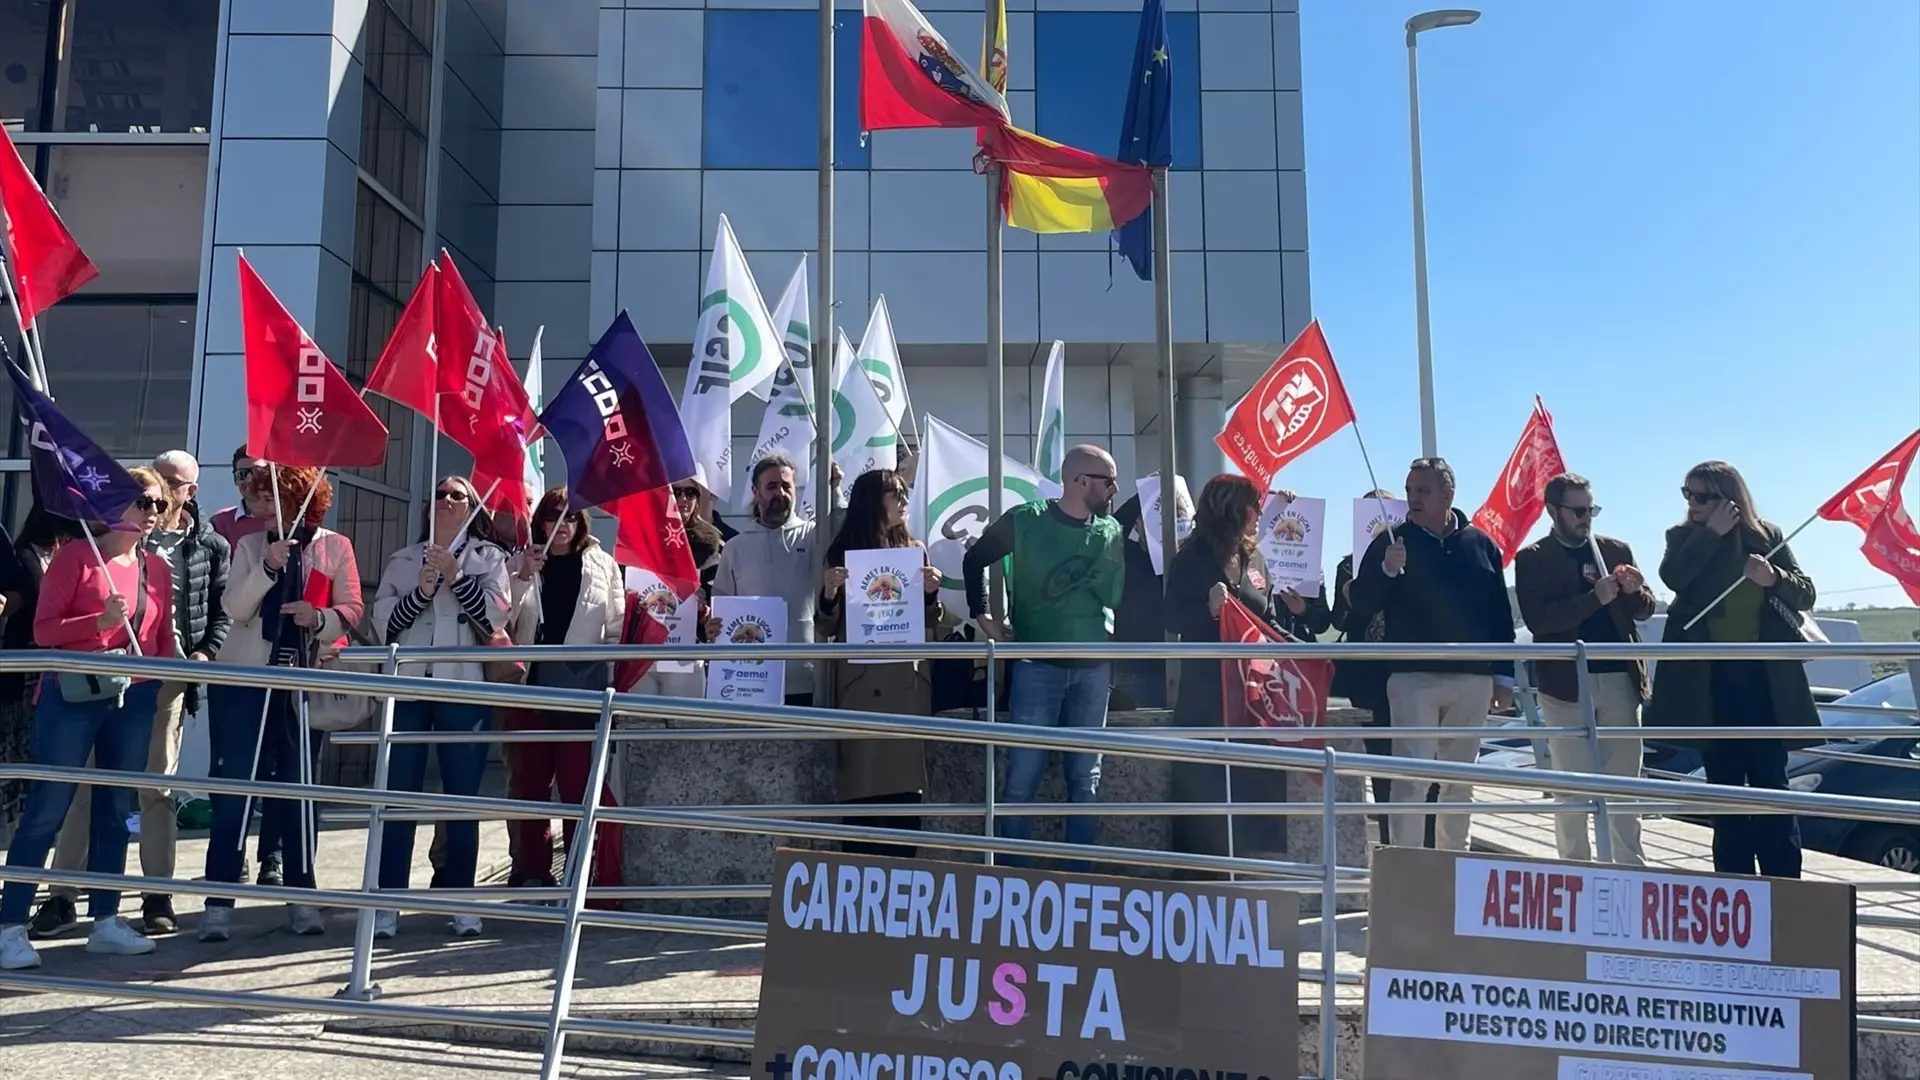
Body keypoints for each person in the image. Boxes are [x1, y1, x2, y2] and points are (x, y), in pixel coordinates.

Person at [35, 450, 232, 938]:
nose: (157, 499)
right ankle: (63, 895)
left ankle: (155, 894)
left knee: (154, 790)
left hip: (161, 677)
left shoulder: (207, 543)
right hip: (99, 680)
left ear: (190, 491)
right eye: (150, 489)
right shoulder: (107, 540)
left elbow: (219, 611)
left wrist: (201, 655)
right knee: (85, 789)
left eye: (170, 488)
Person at [0, 468, 175, 970]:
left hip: (133, 696)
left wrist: (160, 678)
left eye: (159, 504)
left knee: (116, 808)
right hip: (72, 694)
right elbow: (43, 630)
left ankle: (106, 920)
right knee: (48, 807)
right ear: (113, 504)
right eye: (143, 501)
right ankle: (10, 926)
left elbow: (163, 641)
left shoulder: (155, 568)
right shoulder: (77, 556)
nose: (152, 512)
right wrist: (98, 623)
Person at [200, 465, 361, 942]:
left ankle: (302, 896)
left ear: (299, 501)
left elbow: (353, 609)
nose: (259, 506)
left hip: (302, 680)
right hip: (245, 679)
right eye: (256, 496)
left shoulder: (335, 546)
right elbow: (234, 607)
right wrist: (268, 568)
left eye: (269, 497)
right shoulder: (250, 546)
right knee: (233, 789)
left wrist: (320, 617)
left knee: (298, 790)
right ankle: (217, 902)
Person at [1648, 461, 1817, 879]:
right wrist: (1710, 535)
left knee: (1772, 787)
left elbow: (1806, 593)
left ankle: (1784, 886)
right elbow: (1674, 578)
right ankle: (1733, 887)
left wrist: (1773, 576)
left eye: (1702, 496)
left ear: (1730, 499)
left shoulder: (1767, 536)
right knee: (1724, 792)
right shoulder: (1682, 537)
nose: (1692, 503)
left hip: (1763, 681)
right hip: (1711, 682)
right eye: (1687, 493)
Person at [962, 445, 1125, 862]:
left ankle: (1078, 881)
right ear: (1080, 481)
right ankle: (1014, 878)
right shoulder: (1026, 520)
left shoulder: (1110, 531)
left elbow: (1117, 598)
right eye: (1109, 481)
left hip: (1094, 668)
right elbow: (975, 559)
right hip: (1036, 666)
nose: (1114, 490)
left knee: (1085, 779)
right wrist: (984, 616)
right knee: (1023, 777)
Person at [1349, 458, 1515, 852]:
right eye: (1410, 490)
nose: (1413, 498)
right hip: (1412, 677)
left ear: (1448, 495)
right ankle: (1407, 866)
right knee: (1411, 780)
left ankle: (1453, 864)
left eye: (1423, 490)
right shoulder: (1391, 542)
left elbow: (1499, 615)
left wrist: (1504, 676)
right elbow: (1361, 603)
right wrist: (1387, 571)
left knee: (1460, 782)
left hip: (1472, 679)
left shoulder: (1481, 545)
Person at [371, 475, 511, 937]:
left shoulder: (489, 558)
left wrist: (456, 576)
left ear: (472, 507)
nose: (447, 501)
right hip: (410, 687)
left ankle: (461, 899)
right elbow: (383, 623)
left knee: (462, 798)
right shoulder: (403, 559)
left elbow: (495, 617)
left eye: (458, 496)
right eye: (441, 494)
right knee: (398, 797)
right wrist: (421, 593)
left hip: (462, 688)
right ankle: (388, 901)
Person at [1166, 475, 1328, 859]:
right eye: (1254, 505)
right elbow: (1171, 617)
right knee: (1205, 788)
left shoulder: (1255, 558)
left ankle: (1258, 871)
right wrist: (1208, 610)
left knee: (1256, 784)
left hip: (1254, 699)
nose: (1259, 513)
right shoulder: (1192, 558)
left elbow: (1265, 622)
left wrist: (1303, 651)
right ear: (1231, 509)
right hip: (1207, 697)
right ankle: (1202, 874)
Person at [1514, 473, 1654, 866]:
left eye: (1591, 510)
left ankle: (1629, 867)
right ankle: (1575, 867)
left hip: (1619, 676)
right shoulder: (1533, 558)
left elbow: (1643, 610)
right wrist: (1594, 599)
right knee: (1571, 784)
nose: (1586, 519)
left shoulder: (1614, 549)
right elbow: (1540, 620)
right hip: (1565, 683)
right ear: (1553, 511)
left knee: (1624, 784)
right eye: (1577, 511)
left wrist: (1636, 591)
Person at [502, 489, 626, 895]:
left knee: (576, 788)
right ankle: (533, 872)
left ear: (581, 522)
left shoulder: (602, 563)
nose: (561, 523)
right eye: (553, 514)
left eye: (570, 516)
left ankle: (578, 873)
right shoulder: (523, 561)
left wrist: (611, 683)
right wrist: (522, 576)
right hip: (532, 688)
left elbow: (615, 627)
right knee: (531, 786)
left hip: (582, 689)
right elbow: (500, 618)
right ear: (540, 520)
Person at [816, 469, 942, 858]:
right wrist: (829, 591)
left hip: (906, 684)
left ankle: (902, 881)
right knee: (862, 790)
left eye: (904, 494)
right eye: (895, 494)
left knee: (905, 793)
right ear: (873, 501)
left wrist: (930, 594)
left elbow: (930, 621)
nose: (904, 501)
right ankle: (859, 882)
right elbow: (825, 625)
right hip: (860, 685)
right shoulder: (841, 553)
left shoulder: (916, 550)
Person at [708, 455, 819, 706]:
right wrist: (713, 626)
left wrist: (833, 489)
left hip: (804, 676)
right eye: (771, 486)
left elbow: (843, 530)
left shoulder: (814, 536)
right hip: (750, 680)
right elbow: (721, 610)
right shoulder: (735, 547)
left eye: (786, 486)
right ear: (755, 492)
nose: (780, 493)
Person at [0, 510, 73, 833]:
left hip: (44, 671)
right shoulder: (29, 552)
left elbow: (17, 593)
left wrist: (6, 602)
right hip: (26, 667)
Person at [209, 446, 275, 548]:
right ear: (235, 479)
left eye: (258, 472)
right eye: (242, 474)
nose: (250, 479)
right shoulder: (220, 523)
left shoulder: (287, 518)